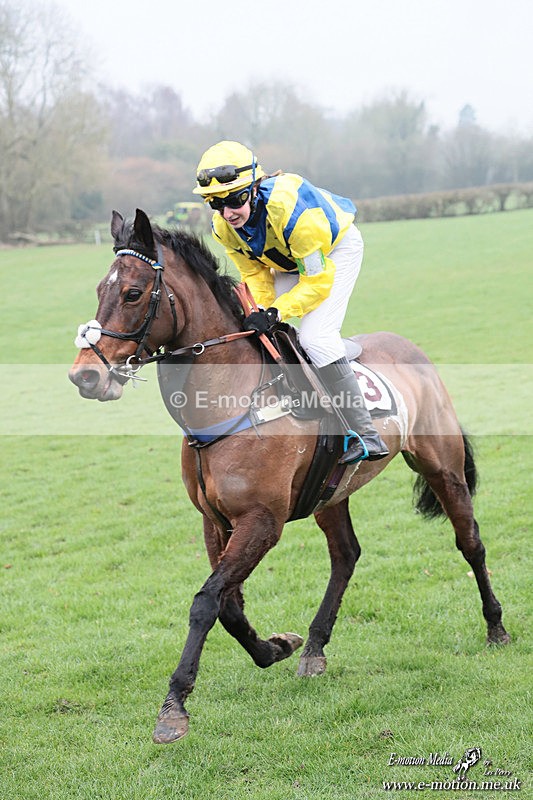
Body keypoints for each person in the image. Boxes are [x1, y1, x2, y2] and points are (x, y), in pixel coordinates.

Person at [192, 140, 388, 464]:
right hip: (286, 260)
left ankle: (366, 434)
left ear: (255, 188)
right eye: (217, 205)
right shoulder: (223, 228)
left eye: (235, 200)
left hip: (333, 251)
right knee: (268, 330)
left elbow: (316, 280)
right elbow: (256, 275)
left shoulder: (290, 207)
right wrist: (261, 310)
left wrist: (277, 310)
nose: (228, 213)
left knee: (315, 337)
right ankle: (315, 386)